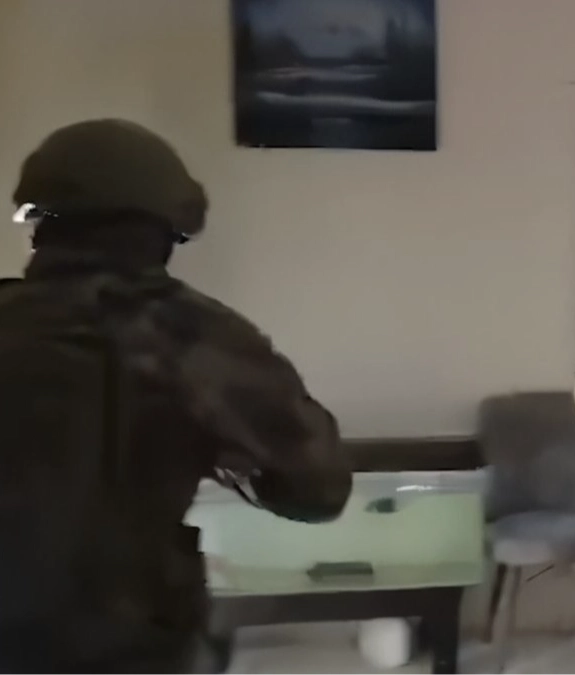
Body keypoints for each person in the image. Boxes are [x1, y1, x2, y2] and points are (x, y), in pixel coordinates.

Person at [0, 119, 352, 674]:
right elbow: (318, 488)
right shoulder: (189, 334)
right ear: (167, 228)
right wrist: (221, 453)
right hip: (129, 648)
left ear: (41, 223)